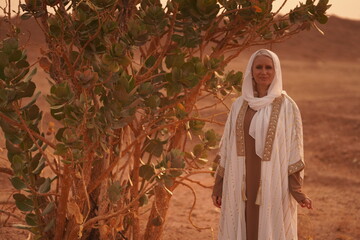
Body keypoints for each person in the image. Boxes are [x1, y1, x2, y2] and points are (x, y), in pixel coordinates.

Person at [211, 49, 312, 240]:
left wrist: (297, 192)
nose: (263, 72)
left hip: (274, 181)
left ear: (276, 71)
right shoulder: (239, 105)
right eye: (259, 67)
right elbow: (226, 148)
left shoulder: (287, 106)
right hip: (239, 180)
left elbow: (293, 150)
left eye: (268, 67)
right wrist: (219, 186)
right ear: (251, 70)